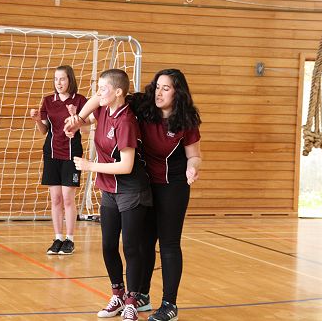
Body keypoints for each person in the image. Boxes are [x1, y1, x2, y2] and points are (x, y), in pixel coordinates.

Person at [66, 69, 202, 321]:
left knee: (169, 244)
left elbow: (194, 154)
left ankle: (169, 304)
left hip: (172, 185)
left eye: (166, 88)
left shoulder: (186, 120)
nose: (159, 92)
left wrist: (193, 167)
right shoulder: (144, 104)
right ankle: (142, 295)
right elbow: (100, 96)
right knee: (143, 243)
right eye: (158, 86)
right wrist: (79, 119)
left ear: (178, 92)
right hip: (144, 184)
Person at [67, 69, 152, 321]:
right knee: (107, 246)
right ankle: (117, 293)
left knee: (130, 247)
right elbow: (95, 100)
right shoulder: (104, 109)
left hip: (132, 190)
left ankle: (132, 301)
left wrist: (89, 166)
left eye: (103, 88)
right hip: (109, 191)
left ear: (118, 93)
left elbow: (125, 166)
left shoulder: (126, 121)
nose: (97, 92)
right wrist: (78, 120)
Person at [30, 65, 87, 255]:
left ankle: (70, 239)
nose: (58, 83)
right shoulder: (48, 101)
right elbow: (44, 130)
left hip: (71, 154)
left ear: (70, 79)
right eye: (56, 79)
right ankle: (58, 238)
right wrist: (38, 119)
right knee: (55, 199)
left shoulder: (80, 100)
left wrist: (74, 115)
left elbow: (86, 130)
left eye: (62, 79)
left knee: (68, 198)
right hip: (51, 153)